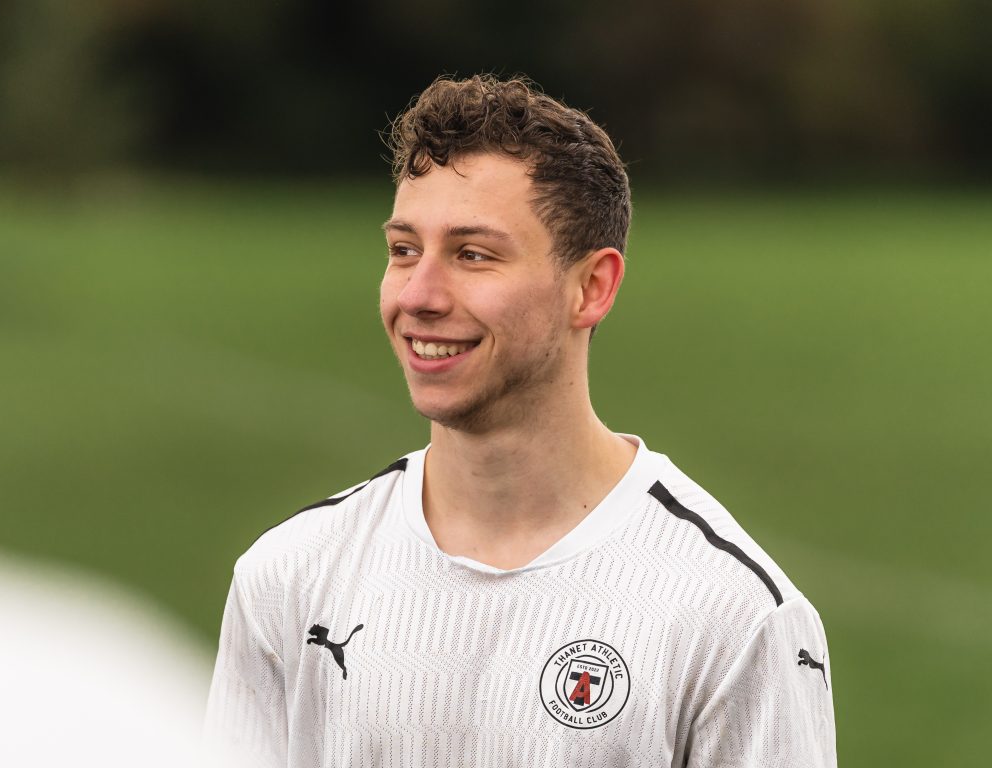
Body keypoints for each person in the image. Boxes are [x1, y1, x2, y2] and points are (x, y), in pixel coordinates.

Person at [205, 74, 837, 767]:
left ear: (591, 287)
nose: (419, 295)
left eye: (473, 255)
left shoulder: (735, 616)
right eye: (404, 250)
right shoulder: (289, 578)